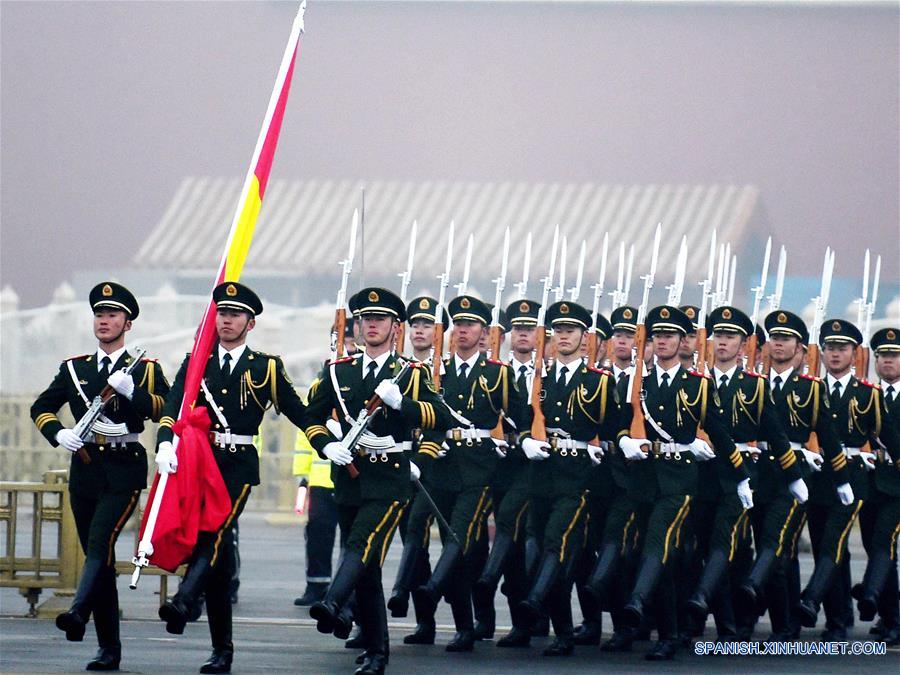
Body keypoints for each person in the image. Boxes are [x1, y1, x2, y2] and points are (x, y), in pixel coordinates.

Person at [156, 282, 307, 674]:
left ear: (250, 323)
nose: (226, 320)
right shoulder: (196, 362)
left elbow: (298, 411)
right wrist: (164, 443)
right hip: (198, 461)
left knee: (214, 533)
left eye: (235, 314)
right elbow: (173, 406)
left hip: (237, 466)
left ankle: (186, 599)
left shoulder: (265, 367)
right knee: (218, 567)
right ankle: (221, 650)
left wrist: (330, 437)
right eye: (222, 313)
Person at [305, 287, 451, 675]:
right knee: (367, 566)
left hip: (390, 478)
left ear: (394, 328)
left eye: (380, 319)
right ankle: (376, 651)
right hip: (351, 476)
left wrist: (403, 403)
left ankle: (334, 601)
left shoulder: (410, 373)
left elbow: (441, 418)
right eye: (365, 319)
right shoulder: (339, 371)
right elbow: (311, 416)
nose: (371, 325)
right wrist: (326, 445)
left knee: (360, 543)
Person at [31, 282, 169, 671]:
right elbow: (42, 407)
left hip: (125, 466)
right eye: (99, 314)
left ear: (128, 323)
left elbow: (165, 409)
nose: (104, 321)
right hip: (86, 468)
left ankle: (78, 611)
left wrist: (133, 392)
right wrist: (59, 433)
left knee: (99, 540)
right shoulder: (75, 368)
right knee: (102, 557)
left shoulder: (145, 369)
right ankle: (109, 648)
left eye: (112, 315)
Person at [617, 305, 748, 660]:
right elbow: (618, 421)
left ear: (683, 341)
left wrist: (740, 477)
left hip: (680, 481)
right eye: (658, 335)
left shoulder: (698, 385)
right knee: (662, 556)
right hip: (644, 479)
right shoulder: (637, 381)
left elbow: (720, 434)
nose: (662, 341)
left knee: (658, 544)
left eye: (670, 336)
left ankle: (638, 601)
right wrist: (623, 439)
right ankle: (670, 632)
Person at [409, 295, 526, 653]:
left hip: (479, 469)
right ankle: (448, 618)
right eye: (458, 324)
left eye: (470, 325)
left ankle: (451, 609)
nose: (462, 330)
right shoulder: (433, 371)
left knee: (459, 540)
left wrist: (513, 440)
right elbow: (418, 414)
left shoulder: (497, 374)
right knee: (443, 542)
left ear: (484, 333)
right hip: (439, 466)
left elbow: (520, 417)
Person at [685, 306, 803, 641]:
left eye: (730, 336)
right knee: (706, 549)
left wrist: (794, 476)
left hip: (744, 477)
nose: (722, 342)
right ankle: (727, 622)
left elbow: (775, 433)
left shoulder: (754, 386)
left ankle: (753, 621)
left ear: (743, 344)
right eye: (718, 335)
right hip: (703, 476)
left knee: (730, 546)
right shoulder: (696, 383)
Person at [518, 300, 618, 656]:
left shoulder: (598, 381)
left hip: (577, 478)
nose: (563, 336)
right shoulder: (537, 378)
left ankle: (533, 600)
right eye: (558, 330)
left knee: (555, 544)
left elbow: (617, 426)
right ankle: (562, 632)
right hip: (541, 474)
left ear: (584, 338)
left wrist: (603, 445)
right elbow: (518, 420)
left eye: (570, 331)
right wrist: (525, 441)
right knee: (547, 548)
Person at [796, 319, 899, 639]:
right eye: (830, 348)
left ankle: (883, 615)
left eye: (842, 349)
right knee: (831, 548)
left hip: (860, 479)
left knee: (857, 545)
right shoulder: (811, 389)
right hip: (819, 478)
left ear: (855, 354)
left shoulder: (867, 394)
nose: (835, 354)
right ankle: (839, 618)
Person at [386, 296, 447, 646]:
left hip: (437, 468)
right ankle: (420, 619)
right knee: (412, 543)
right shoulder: (399, 369)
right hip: (398, 465)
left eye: (427, 325)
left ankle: (445, 616)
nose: (420, 331)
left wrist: (423, 458)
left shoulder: (446, 370)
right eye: (416, 325)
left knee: (428, 539)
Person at [294, 320, 358, 608]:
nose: (345, 346)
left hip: (354, 474)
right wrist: (302, 477)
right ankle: (316, 585)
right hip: (321, 475)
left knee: (351, 537)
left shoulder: (361, 378)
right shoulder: (321, 381)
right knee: (318, 532)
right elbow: (305, 431)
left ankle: (346, 590)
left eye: (349, 340)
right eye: (339, 340)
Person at [856, 327, 900, 645]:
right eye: (883, 355)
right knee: (874, 546)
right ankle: (888, 614)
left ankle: (891, 615)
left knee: (885, 542)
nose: (888, 361)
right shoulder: (865, 395)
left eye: (894, 355)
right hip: (869, 482)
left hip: (898, 483)